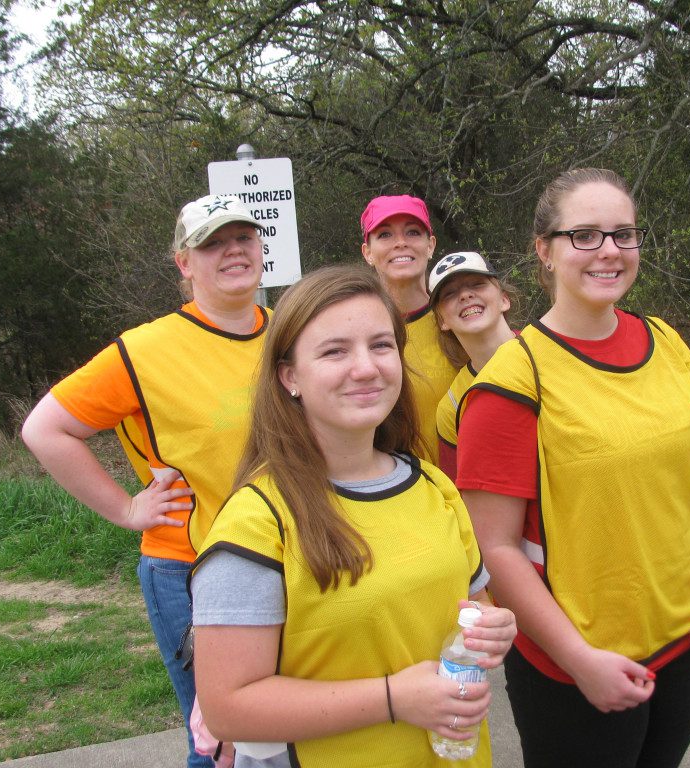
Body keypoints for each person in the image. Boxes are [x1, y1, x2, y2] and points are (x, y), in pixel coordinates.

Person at [456, 168, 690, 768]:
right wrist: (577, 659)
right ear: (544, 250)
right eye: (585, 235)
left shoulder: (667, 343)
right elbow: (496, 548)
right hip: (578, 663)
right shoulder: (513, 383)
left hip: (683, 639)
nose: (610, 250)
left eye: (624, 233)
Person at [189, 266, 516, 767]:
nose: (366, 367)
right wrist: (394, 698)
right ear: (289, 376)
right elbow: (228, 709)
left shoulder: (433, 486)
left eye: (382, 346)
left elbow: (473, 606)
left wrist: (494, 628)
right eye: (335, 351)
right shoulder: (258, 522)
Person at [22, 194, 272, 768]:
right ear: (184, 263)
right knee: (221, 746)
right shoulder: (144, 350)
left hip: (286, 559)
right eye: (213, 242)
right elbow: (46, 429)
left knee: (282, 734)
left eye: (244, 237)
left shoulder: (290, 332)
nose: (233, 250)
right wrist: (126, 509)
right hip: (190, 568)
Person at [361, 194, 457, 463]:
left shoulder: (458, 320)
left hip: (465, 493)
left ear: (430, 245)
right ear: (367, 252)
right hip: (393, 495)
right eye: (385, 235)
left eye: (413, 232)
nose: (401, 243)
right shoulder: (355, 332)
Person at [427, 251, 517, 479]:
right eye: (449, 294)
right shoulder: (452, 406)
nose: (466, 295)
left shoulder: (549, 351)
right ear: (442, 320)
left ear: (504, 300)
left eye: (477, 284)